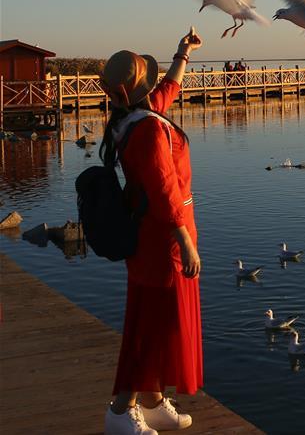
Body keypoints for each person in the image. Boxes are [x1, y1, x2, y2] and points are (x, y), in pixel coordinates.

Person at [99, 28, 203, 435]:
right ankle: (121, 412)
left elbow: (169, 89)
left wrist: (183, 53)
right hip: (162, 240)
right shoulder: (146, 130)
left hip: (151, 237)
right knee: (151, 324)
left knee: (156, 321)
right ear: (137, 90)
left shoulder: (135, 118)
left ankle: (154, 400)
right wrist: (186, 241)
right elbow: (163, 190)